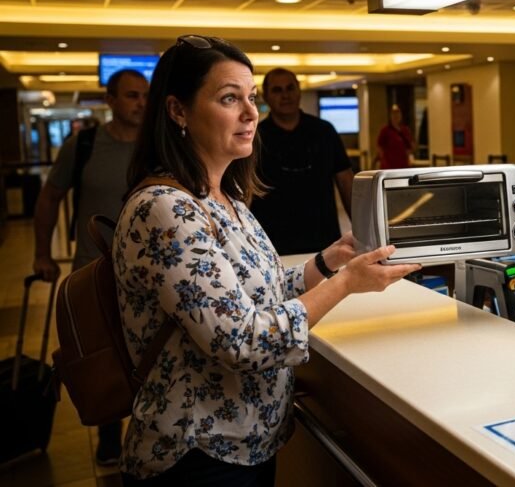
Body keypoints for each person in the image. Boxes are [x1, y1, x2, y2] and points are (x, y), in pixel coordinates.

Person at [112, 35, 419, 484]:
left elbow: (261, 290)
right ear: (178, 111)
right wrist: (345, 283)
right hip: (198, 453)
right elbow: (243, 340)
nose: (250, 113)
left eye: (251, 97)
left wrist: (328, 262)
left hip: (247, 444)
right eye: (229, 98)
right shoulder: (166, 209)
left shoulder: (226, 197)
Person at [33, 68, 149, 466]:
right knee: (104, 354)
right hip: (94, 273)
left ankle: (147, 427)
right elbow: (50, 198)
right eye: (131, 95)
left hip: (149, 274)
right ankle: (108, 432)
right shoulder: (83, 144)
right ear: (110, 100)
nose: (141, 103)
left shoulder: (158, 145)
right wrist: (42, 254)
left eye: (145, 95)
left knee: (147, 352)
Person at [250, 67, 354, 255]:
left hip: (324, 243)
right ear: (265, 96)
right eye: (277, 90)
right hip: (272, 245)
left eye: (290, 88)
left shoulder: (324, 131)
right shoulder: (255, 137)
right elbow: (244, 190)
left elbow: (346, 182)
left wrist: (363, 230)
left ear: (299, 90)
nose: (285, 95)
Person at [376, 104, 413, 169]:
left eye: (398, 113)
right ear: (390, 115)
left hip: (403, 165)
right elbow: (379, 146)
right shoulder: (385, 130)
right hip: (389, 166)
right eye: (394, 113)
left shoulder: (405, 130)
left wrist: (408, 156)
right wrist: (383, 159)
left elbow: (410, 146)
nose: (396, 116)